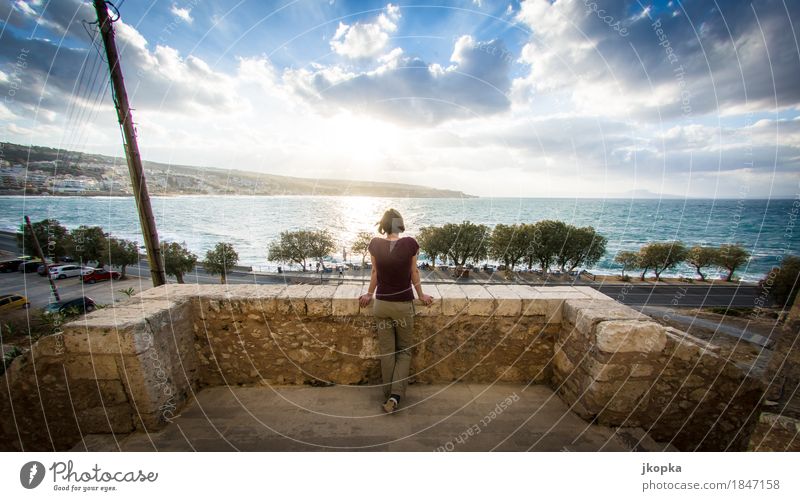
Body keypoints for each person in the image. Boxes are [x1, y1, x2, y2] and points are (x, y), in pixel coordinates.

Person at [359, 208, 434, 414]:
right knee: (404, 351)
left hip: (382, 304)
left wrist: (368, 294)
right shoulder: (410, 244)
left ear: (383, 224)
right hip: (402, 306)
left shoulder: (375, 244)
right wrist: (421, 296)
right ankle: (395, 395)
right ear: (400, 223)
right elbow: (414, 272)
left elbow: (374, 272)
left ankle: (387, 394)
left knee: (387, 351)